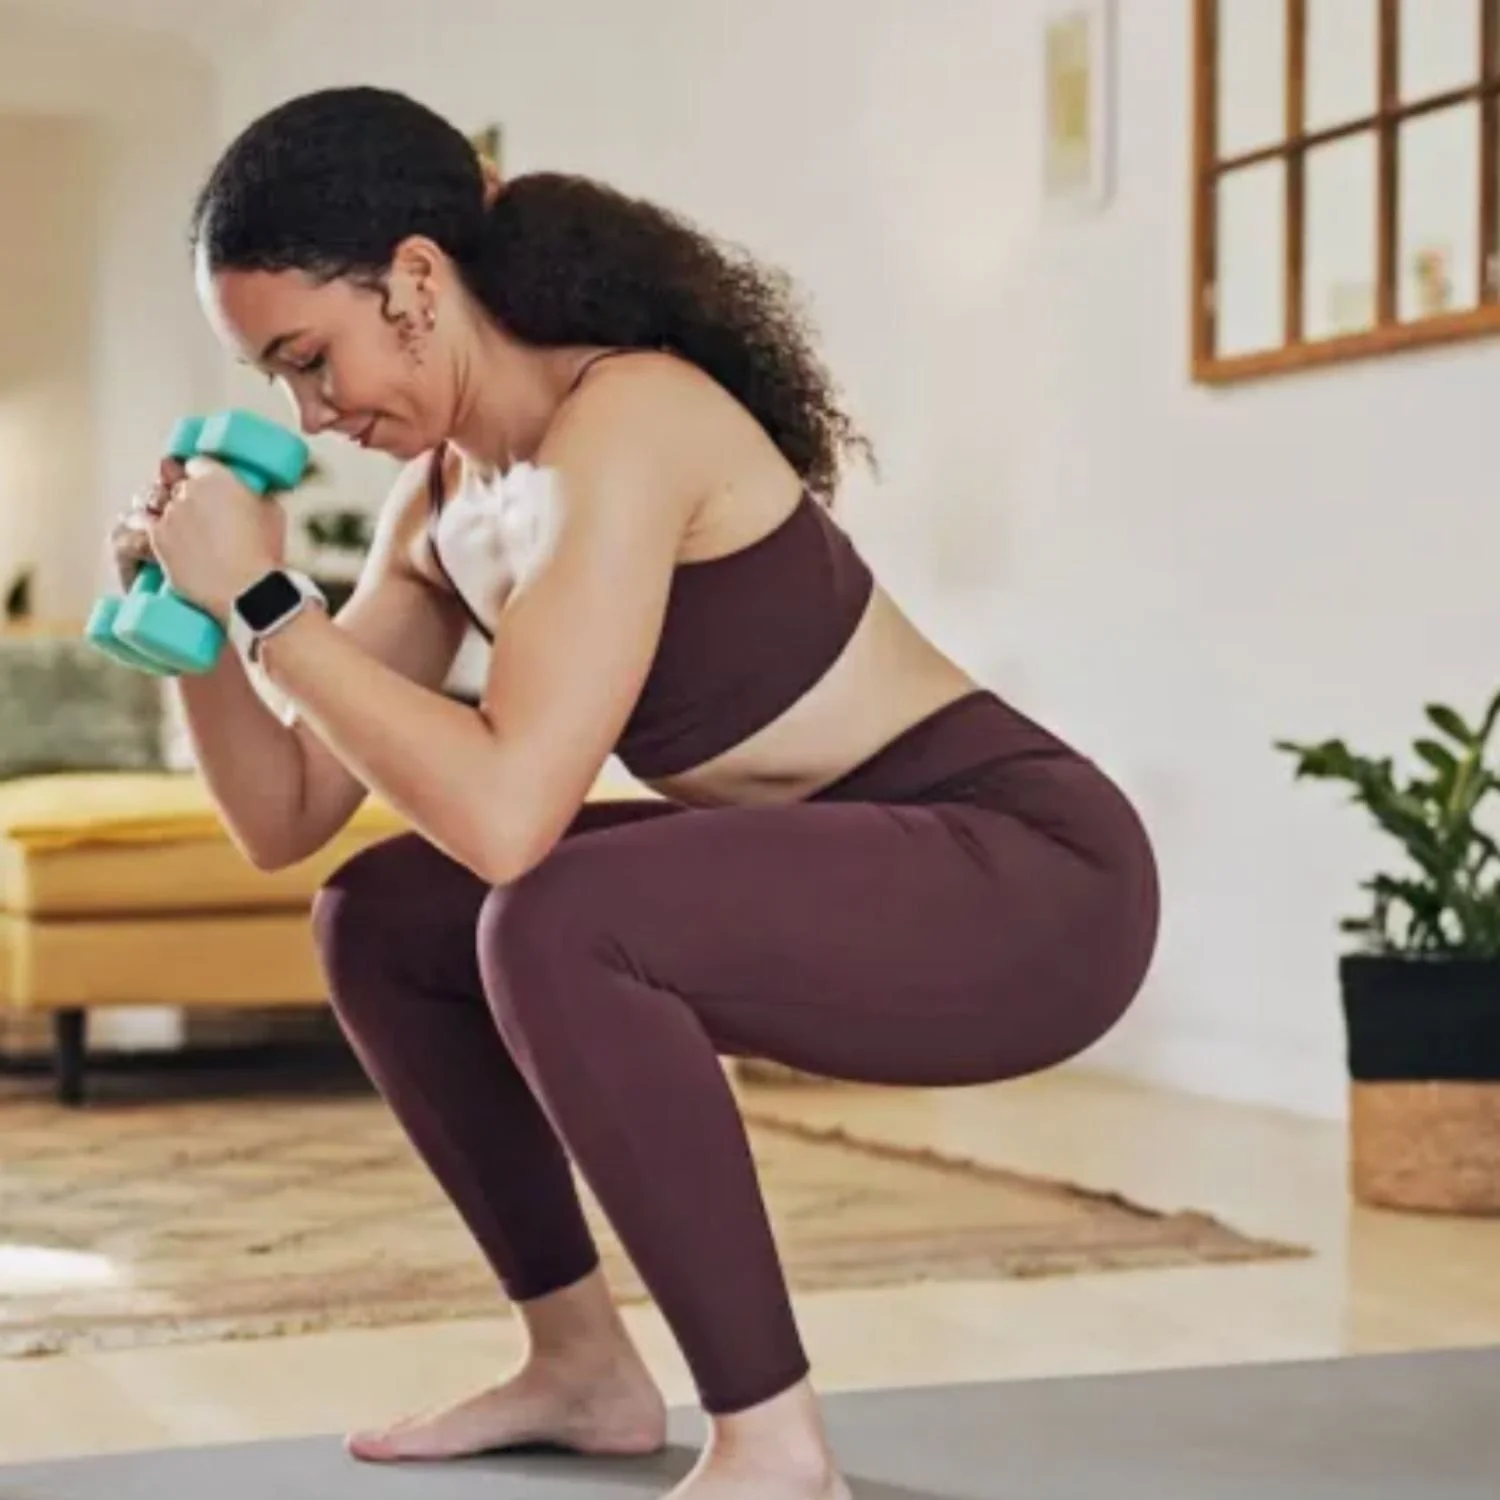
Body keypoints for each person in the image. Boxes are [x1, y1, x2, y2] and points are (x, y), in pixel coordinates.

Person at [114, 85, 1159, 1500]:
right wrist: (193, 623)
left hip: (1033, 887)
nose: (312, 413)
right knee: (380, 913)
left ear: (417, 281)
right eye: (278, 385)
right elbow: (286, 817)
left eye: (312, 358)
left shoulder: (634, 420)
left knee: (549, 911)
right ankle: (581, 1369)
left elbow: (506, 819)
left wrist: (266, 597)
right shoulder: (443, 509)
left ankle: (775, 1445)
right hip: (854, 874)